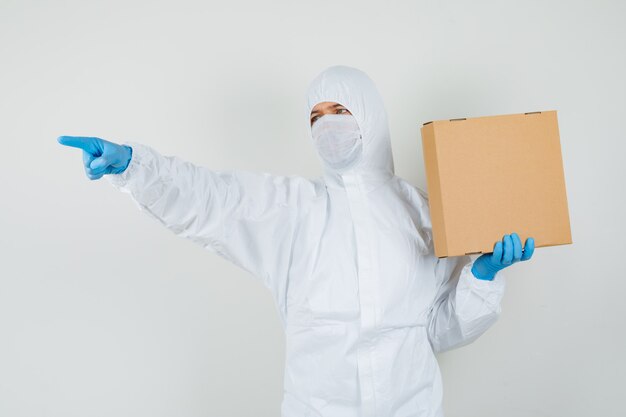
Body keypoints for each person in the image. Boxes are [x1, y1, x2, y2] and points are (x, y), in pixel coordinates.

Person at [58, 65, 534, 417]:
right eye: (316, 116)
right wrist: (134, 167)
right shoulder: (293, 211)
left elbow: (438, 331)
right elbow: (210, 200)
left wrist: (482, 277)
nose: (328, 125)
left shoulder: (423, 214)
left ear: (370, 117)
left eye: (340, 111)